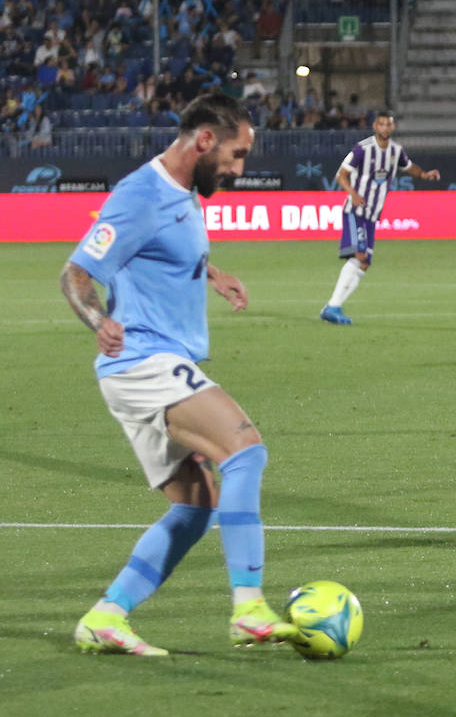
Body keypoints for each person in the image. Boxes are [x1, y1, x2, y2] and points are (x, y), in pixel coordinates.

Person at [60, 93, 299, 656]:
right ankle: (249, 607)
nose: (240, 170)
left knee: (195, 505)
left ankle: (106, 616)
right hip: (143, 360)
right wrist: (97, 319)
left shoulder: (184, 191)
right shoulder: (140, 194)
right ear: (206, 140)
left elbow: (160, 250)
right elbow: (75, 272)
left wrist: (209, 271)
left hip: (154, 361)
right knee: (244, 449)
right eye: (237, 155)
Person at [320, 112, 441, 325]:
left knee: (364, 264)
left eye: (388, 124)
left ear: (393, 127)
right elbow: (341, 174)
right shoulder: (362, 149)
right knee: (359, 256)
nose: (385, 128)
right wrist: (353, 194)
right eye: (381, 124)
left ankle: (333, 305)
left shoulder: (396, 151)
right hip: (355, 211)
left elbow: (409, 166)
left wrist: (424, 175)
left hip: (372, 216)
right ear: (375, 125)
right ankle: (332, 306)